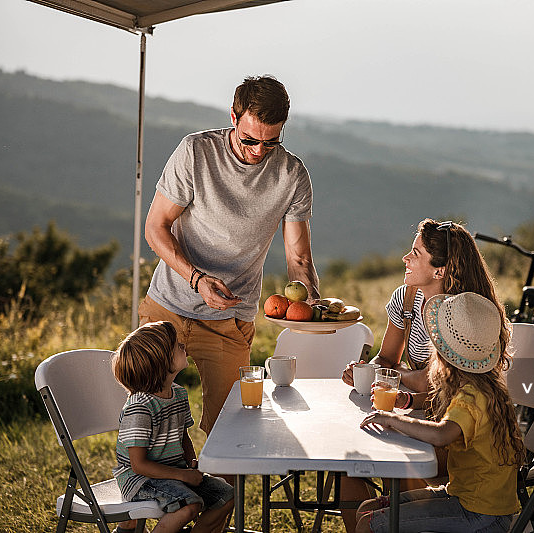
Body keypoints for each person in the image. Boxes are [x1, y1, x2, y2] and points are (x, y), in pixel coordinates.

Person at [140, 75, 320, 438]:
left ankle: (222, 495)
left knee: (231, 431)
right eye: (250, 140)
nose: (258, 151)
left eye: (271, 143)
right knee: (148, 425)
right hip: (167, 307)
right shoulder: (195, 152)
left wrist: (312, 300)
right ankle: (162, 492)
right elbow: (155, 227)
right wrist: (197, 279)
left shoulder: (292, 175)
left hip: (230, 319)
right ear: (233, 116)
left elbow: (299, 259)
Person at [338, 218, 508, 531]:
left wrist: (403, 387)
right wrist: (368, 372)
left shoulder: (466, 319)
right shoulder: (407, 298)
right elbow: (392, 361)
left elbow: (444, 390)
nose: (405, 258)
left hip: (448, 422)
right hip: (429, 408)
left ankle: (400, 522)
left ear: (439, 270)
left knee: (399, 462)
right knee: (351, 464)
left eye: (415, 253)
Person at [355, 292, 524, 533]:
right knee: (368, 508)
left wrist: (392, 419)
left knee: (371, 523)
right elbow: (444, 411)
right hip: (465, 497)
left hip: (481, 515)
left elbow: (441, 435)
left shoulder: (472, 395)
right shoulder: (484, 384)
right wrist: (409, 401)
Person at [111, 321, 235, 533]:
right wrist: (184, 476)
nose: (183, 345)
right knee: (188, 506)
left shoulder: (178, 394)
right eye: (177, 346)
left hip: (175, 471)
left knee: (227, 496)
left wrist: (190, 463)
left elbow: (183, 436)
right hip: (141, 480)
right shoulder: (140, 408)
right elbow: (138, 465)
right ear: (161, 362)